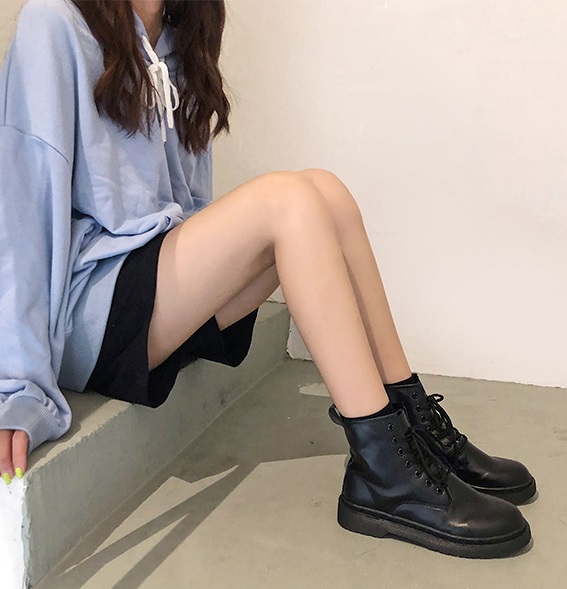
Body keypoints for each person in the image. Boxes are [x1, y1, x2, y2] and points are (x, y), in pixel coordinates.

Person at [0, 0, 535, 559]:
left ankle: (416, 425)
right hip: (89, 310)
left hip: (155, 291)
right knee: (287, 201)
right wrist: (17, 385)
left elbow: (187, 203)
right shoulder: (54, 22)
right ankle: (385, 472)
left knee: (325, 192)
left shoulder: (175, 34)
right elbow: (20, 212)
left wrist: (210, 267)